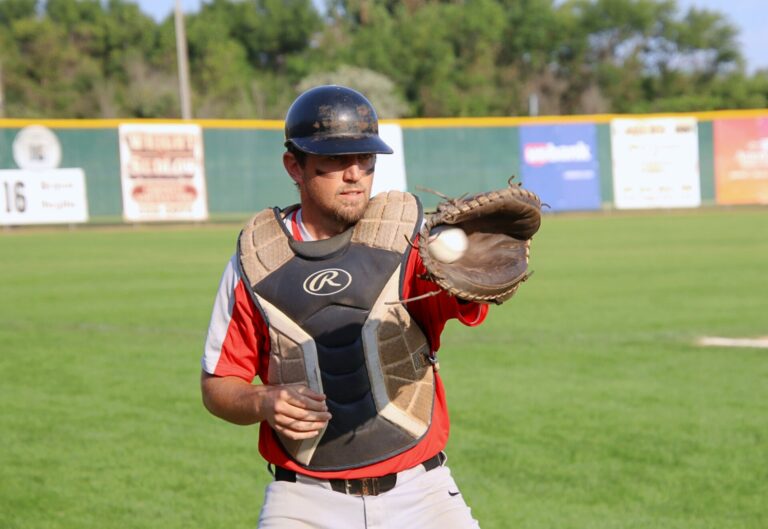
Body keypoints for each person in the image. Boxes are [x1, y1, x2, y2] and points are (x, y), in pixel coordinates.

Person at [200, 85, 490, 528]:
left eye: (365, 158)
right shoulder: (258, 260)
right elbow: (218, 384)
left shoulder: (408, 242)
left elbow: (468, 300)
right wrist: (263, 400)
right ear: (293, 166)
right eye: (335, 160)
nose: (354, 173)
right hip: (305, 499)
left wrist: (480, 270)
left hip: (421, 491)